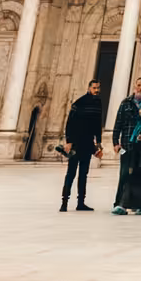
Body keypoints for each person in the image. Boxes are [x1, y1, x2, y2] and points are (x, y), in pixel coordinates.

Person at [61, 79, 105, 212]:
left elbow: (98, 123)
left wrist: (98, 142)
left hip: (88, 143)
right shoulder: (79, 103)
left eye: (98, 88)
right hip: (76, 143)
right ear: (89, 88)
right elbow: (70, 123)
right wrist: (68, 141)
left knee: (83, 174)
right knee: (71, 173)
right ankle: (64, 202)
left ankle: (81, 202)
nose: (96, 90)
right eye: (94, 88)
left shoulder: (98, 103)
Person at [113, 76, 141, 157]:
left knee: (138, 169)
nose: (140, 88)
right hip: (126, 143)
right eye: (139, 85)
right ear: (135, 86)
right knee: (125, 168)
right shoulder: (125, 102)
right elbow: (118, 123)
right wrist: (115, 143)